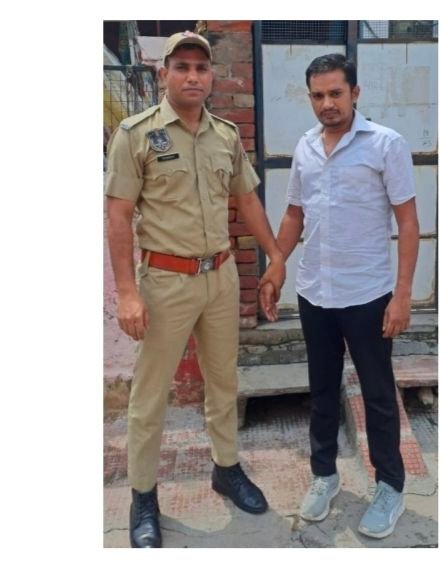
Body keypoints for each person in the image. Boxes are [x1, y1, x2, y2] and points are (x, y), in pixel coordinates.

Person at [105, 31, 285, 548]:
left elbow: (247, 201)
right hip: (164, 282)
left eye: (201, 68)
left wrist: (274, 256)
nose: (192, 76)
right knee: (149, 396)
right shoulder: (136, 134)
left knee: (223, 381)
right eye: (181, 67)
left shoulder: (225, 135)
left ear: (210, 77)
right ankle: (143, 495)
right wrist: (127, 293)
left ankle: (226, 468)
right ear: (163, 74)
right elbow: (118, 216)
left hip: (220, 277)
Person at [259, 53, 419, 539]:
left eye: (335, 93)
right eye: (318, 95)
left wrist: (403, 295)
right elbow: (294, 214)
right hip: (316, 292)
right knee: (323, 389)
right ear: (309, 97)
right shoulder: (306, 146)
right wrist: (276, 264)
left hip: (368, 294)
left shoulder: (386, 144)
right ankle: (325, 475)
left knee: (378, 394)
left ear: (355, 93)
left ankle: (390, 486)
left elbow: (408, 222)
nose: (327, 103)